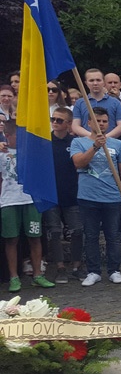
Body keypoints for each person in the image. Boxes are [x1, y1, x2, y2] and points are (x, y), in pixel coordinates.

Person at [70, 107, 121, 287]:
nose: (102, 124)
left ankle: (114, 270)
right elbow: (79, 163)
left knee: (113, 235)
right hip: (88, 197)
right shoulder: (78, 143)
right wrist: (96, 146)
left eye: (104, 121)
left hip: (112, 197)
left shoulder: (118, 145)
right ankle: (93, 271)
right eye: (97, 121)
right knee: (90, 236)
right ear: (89, 123)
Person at [1, 116, 56, 291]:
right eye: (19, 136)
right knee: (11, 239)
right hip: (9, 201)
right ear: (7, 135)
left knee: (35, 237)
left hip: (30, 200)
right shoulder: (2, 154)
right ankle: (14, 277)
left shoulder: (31, 154)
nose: (23, 139)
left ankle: (38, 274)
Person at [45, 107, 85, 283]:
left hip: (72, 192)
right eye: (53, 119)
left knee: (77, 231)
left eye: (59, 120)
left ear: (69, 124)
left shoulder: (75, 142)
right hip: (51, 194)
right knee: (54, 232)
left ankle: (77, 265)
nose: (55, 122)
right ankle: (60, 267)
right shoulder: (45, 142)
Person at [71, 68, 121, 139]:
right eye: (91, 80)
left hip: (109, 142)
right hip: (86, 143)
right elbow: (75, 126)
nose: (95, 83)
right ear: (86, 83)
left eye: (98, 80)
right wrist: (92, 137)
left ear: (103, 82)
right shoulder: (79, 103)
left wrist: (105, 137)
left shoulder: (116, 102)